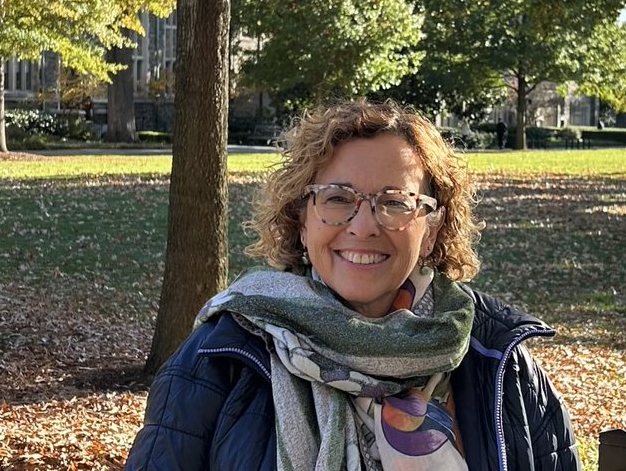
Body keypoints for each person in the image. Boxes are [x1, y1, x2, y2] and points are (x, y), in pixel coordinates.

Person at [125, 99, 581, 471]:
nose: (362, 227)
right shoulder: (217, 358)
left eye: (395, 202)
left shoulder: (499, 361)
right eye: (338, 198)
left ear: (433, 230)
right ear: (300, 220)